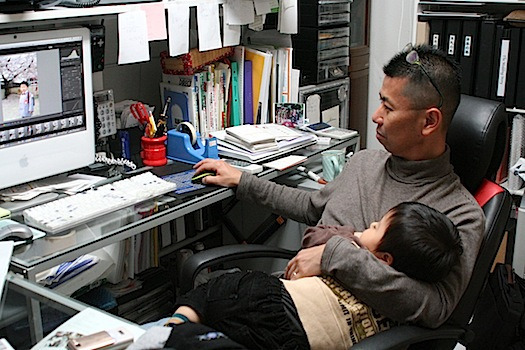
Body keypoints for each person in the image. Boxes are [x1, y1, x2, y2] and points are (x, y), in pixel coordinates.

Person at [192, 44, 484, 328]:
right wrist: (243, 181)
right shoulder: (365, 162)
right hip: (281, 300)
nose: (376, 116)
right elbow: (311, 206)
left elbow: (435, 306)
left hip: (333, 330)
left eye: (389, 107)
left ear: (429, 121)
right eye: (380, 100)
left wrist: (335, 257)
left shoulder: (460, 213)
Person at [160, 202, 463, 350]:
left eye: (375, 227)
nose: (368, 224)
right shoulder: (404, 293)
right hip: (301, 342)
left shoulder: (370, 267)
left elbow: (320, 240)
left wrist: (351, 241)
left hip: (274, 300)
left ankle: (174, 327)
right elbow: (310, 223)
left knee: (221, 289)